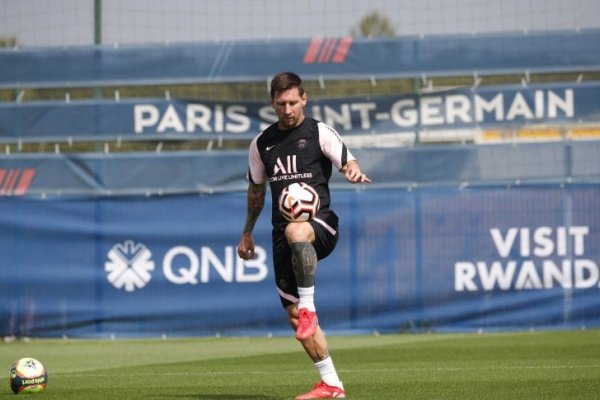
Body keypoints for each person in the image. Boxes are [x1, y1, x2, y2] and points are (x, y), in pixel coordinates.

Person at [237, 71, 370, 399]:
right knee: (295, 316)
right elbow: (256, 193)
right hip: (282, 237)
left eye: (293, 102)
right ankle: (332, 385)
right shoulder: (261, 144)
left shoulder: (318, 132)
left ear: (304, 99)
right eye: (280, 103)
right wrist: (247, 233)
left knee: (298, 229)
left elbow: (346, 160)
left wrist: (352, 170)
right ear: (272, 103)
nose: (287, 109)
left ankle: (310, 307)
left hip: (320, 225)